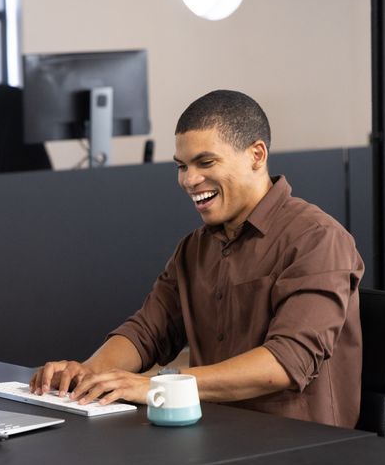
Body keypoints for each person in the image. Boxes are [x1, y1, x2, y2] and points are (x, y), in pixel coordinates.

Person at [29, 90, 364, 427]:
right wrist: (87, 373)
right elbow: (148, 331)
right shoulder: (194, 248)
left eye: (205, 162)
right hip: (217, 437)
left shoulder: (317, 238)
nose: (189, 180)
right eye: (182, 166)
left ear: (256, 155)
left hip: (300, 450)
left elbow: (287, 362)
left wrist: (159, 387)